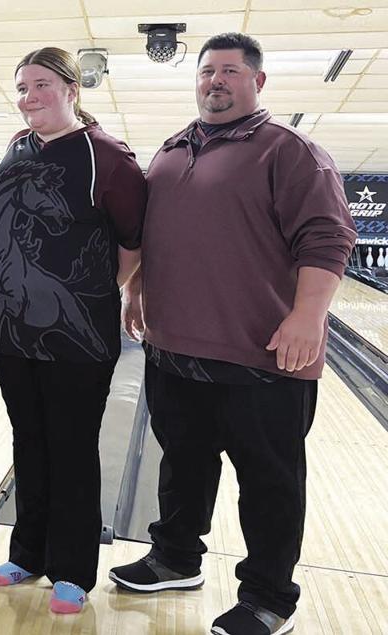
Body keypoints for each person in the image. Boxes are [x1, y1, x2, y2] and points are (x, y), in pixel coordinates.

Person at [107, 33, 356, 635]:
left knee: (269, 482)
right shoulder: (171, 150)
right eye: (207, 71)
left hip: (264, 354)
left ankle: (269, 598)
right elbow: (156, 234)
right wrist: (137, 289)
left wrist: (308, 315)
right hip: (174, 348)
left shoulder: (291, 152)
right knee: (181, 465)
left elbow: (328, 237)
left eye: (230, 71)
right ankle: (175, 558)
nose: (215, 81)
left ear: (257, 81)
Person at [0, 48, 146, 612]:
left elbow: (133, 241)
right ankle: (27, 553)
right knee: (28, 442)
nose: (29, 97)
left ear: (73, 89)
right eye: (22, 87)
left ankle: (71, 569)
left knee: (72, 447)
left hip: (76, 334)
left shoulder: (107, 156)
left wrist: (90, 292)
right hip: (11, 328)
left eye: (42, 85)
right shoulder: (16, 146)